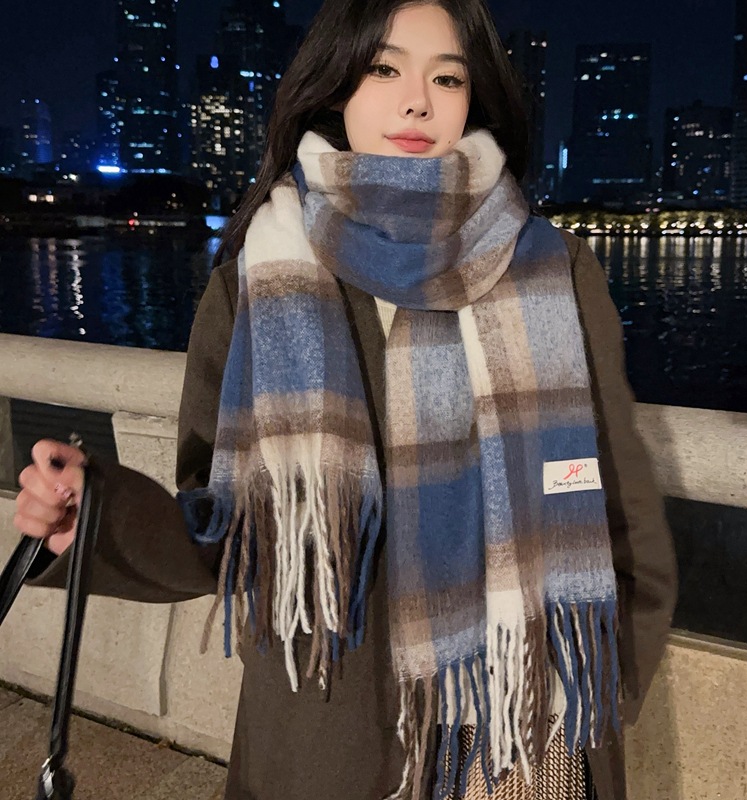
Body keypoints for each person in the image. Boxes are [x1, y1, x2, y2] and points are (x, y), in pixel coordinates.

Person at [11, 1, 678, 799]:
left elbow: (620, 506)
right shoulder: (259, 281)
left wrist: (605, 690)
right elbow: (224, 530)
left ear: (475, 96)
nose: (417, 101)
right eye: (383, 68)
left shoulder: (552, 268)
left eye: (447, 78)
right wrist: (95, 516)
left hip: (521, 735)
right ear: (336, 87)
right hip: (331, 732)